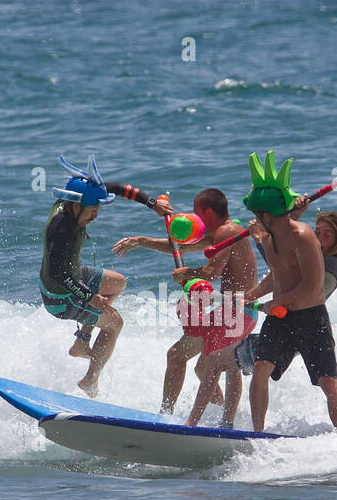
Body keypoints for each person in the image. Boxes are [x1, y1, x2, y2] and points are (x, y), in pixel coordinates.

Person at [112, 189, 256, 414]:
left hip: (237, 312)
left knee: (179, 356)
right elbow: (179, 246)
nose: (193, 217)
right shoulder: (221, 232)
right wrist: (141, 241)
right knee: (202, 368)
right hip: (235, 311)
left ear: (207, 212)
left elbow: (211, 273)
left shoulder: (227, 232)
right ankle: (221, 417)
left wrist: (186, 272)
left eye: (196, 211)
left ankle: (167, 415)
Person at [40, 155, 171, 395]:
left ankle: (82, 340)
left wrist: (152, 203)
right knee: (115, 324)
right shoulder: (62, 230)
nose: (96, 216)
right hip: (60, 296)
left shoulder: (70, 200)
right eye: (93, 210)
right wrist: (89, 296)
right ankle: (90, 379)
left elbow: (117, 187)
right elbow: (58, 274)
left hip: (71, 275)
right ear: (78, 205)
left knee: (118, 283)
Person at [240, 150, 337, 432]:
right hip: (281, 316)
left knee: (328, 382)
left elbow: (311, 289)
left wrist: (272, 303)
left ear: (266, 214)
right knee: (261, 367)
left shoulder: (302, 236)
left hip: (311, 317)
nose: (254, 218)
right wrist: (252, 295)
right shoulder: (268, 237)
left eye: (256, 214)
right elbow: (278, 276)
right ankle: (257, 434)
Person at [234, 209, 337, 376]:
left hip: (307, 326)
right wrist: (250, 295)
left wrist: (260, 240)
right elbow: (280, 270)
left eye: (326, 235)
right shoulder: (311, 254)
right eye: (317, 232)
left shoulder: (332, 264)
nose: (319, 238)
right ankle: (224, 402)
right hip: (284, 322)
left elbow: (281, 268)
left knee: (327, 382)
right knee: (233, 360)